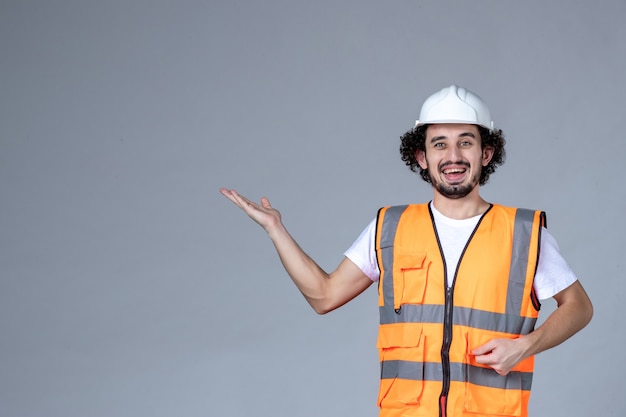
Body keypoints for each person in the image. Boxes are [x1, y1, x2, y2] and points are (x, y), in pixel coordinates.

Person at [219, 85, 593, 417]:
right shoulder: (390, 228)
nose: (453, 156)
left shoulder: (524, 233)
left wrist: (526, 346)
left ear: (486, 153)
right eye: (439, 144)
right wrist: (275, 229)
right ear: (421, 157)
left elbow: (579, 306)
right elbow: (324, 296)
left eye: (466, 141)